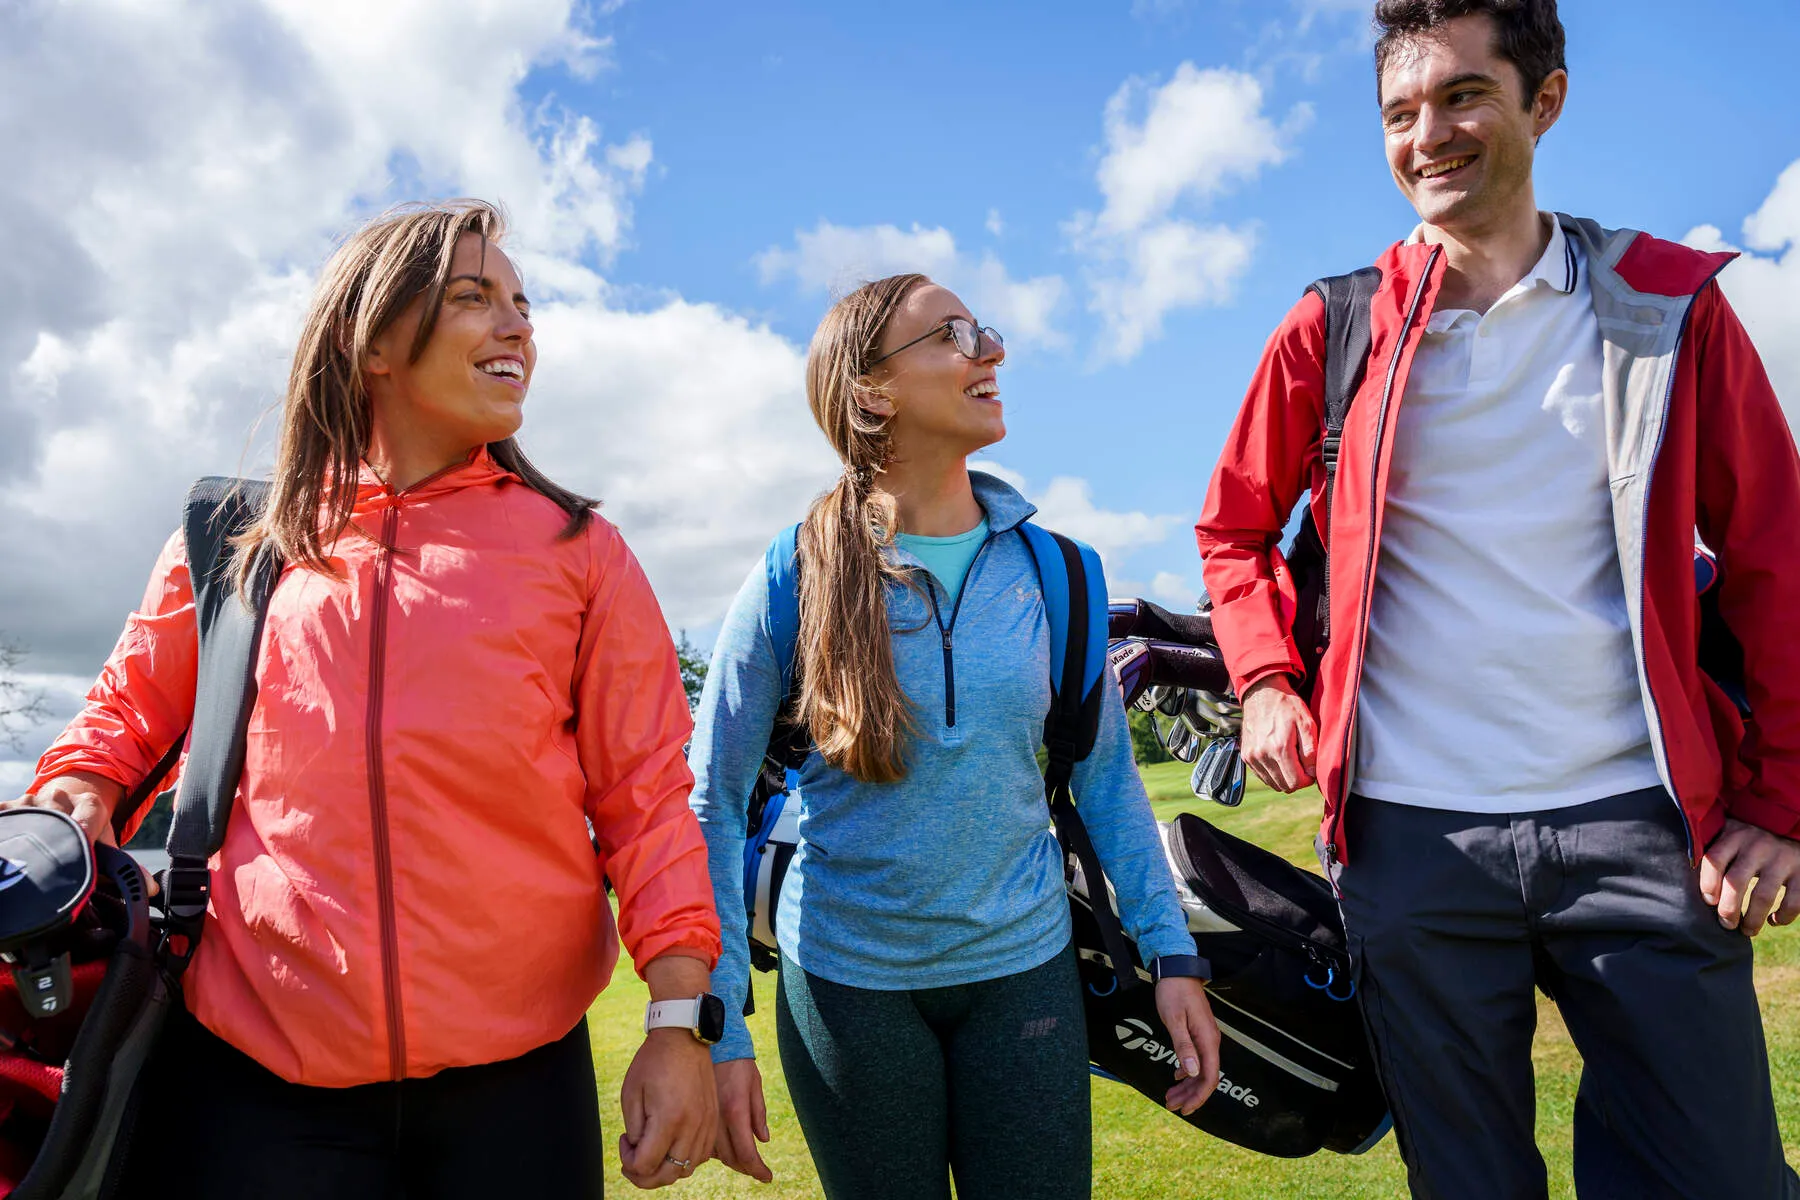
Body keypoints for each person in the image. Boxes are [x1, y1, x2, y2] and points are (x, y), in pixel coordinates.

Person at [1196, 2, 1800, 1196]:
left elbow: (1775, 550)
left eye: (1465, 95)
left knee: (1722, 1178)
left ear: (1546, 100)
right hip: (1414, 843)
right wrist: (1266, 677)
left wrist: (1781, 800)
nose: (1430, 135)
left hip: (1638, 825)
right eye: (1400, 113)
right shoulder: (1335, 325)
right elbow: (1233, 527)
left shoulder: (1667, 308)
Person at [5, 200, 723, 1198]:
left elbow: (646, 802)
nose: (520, 325)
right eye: (475, 297)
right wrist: (79, 783)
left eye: (524, 302)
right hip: (253, 1084)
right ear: (372, 339)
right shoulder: (238, 540)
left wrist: (680, 1021)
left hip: (514, 1092)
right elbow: (122, 715)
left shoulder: (580, 553)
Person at [688, 274, 1220, 1199]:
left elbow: (1104, 783)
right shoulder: (792, 575)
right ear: (872, 391)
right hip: (847, 988)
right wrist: (719, 1021)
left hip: (1024, 976)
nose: (991, 351)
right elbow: (712, 799)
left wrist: (1172, 953)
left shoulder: (1063, 573)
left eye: (983, 331)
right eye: (952, 336)